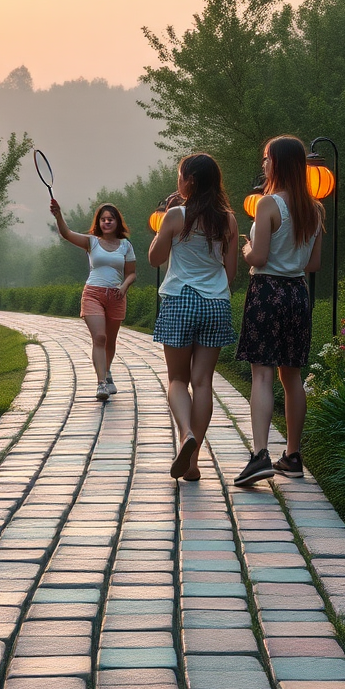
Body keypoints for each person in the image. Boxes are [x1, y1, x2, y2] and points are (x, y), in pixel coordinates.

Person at [233, 136, 324, 486]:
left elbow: (258, 258)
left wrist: (246, 247)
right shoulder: (314, 209)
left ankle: (259, 455)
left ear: (279, 163)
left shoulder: (269, 204)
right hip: (297, 294)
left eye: (267, 159)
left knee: (262, 375)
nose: (264, 164)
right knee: (292, 377)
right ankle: (293, 455)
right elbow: (313, 263)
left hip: (267, 290)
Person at [149, 153, 238, 481]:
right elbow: (231, 273)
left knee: (177, 380)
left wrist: (166, 221)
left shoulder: (176, 215)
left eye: (179, 176)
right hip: (216, 303)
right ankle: (193, 460)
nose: (178, 181)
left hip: (180, 300)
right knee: (202, 383)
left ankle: (186, 433)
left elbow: (155, 259)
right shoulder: (228, 219)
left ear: (189, 182)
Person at [49, 199, 137, 401]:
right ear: (99, 222)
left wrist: (123, 287)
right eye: (104, 219)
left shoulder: (125, 246)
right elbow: (67, 234)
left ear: (117, 222)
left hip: (116, 295)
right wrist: (59, 215)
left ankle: (106, 371)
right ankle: (101, 384)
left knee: (110, 341)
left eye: (111, 219)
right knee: (100, 337)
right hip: (93, 294)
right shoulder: (92, 242)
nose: (107, 222)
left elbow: (131, 273)